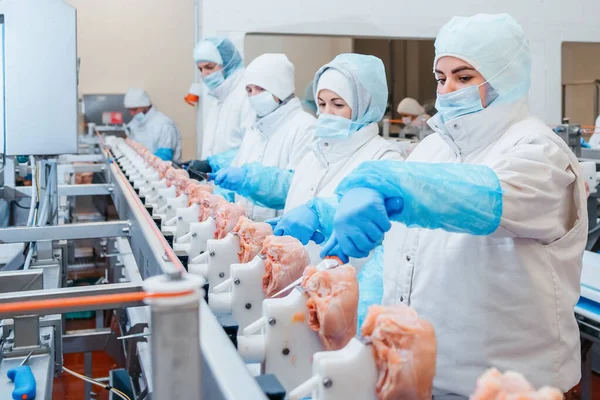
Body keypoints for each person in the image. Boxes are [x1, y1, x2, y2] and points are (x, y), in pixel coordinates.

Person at [321, 14, 586, 396]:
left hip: (512, 385)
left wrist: (389, 182)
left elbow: (480, 197)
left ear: (504, 76)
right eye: (440, 78)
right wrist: (326, 214)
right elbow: (401, 217)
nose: (447, 90)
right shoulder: (435, 146)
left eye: (464, 77)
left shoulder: (539, 151)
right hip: (424, 375)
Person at [214, 53, 405, 252]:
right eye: (322, 104)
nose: (326, 113)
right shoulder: (314, 155)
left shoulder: (385, 157)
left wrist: (319, 215)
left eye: (338, 104)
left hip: (344, 277)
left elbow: (371, 214)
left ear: (364, 106)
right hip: (300, 277)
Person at [211, 53, 315, 221]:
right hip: (248, 234)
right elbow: (237, 172)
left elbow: (297, 188)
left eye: (260, 88)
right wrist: (221, 196)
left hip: (280, 238)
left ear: (280, 88)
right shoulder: (254, 128)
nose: (253, 96)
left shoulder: (305, 128)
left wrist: (249, 181)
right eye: (249, 90)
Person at [192, 37, 254, 164]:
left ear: (228, 62)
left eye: (209, 67)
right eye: (200, 69)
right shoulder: (218, 98)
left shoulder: (246, 95)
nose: (204, 74)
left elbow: (250, 149)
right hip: (215, 181)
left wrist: (212, 164)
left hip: (235, 181)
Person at [124, 88, 182, 161]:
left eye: (135, 109)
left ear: (146, 106)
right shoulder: (133, 124)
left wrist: (142, 163)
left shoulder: (164, 124)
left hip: (162, 170)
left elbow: (164, 157)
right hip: (141, 169)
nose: (132, 114)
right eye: (129, 110)